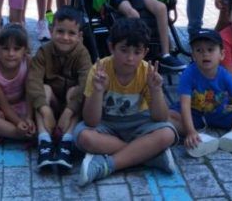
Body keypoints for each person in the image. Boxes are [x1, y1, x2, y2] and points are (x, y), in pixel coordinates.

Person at [74, 18, 177, 186]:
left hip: (138, 124)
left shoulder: (146, 71)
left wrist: (156, 90)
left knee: (167, 133)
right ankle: (148, 155)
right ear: (111, 47)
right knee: (84, 136)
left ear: (145, 52)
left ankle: (107, 165)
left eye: (137, 52)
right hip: (107, 124)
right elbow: (90, 121)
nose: (130, 58)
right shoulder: (99, 69)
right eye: (124, 50)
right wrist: (99, 90)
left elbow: (160, 118)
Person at [169, 29, 232, 158]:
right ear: (193, 56)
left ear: (222, 54)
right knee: (166, 116)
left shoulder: (225, 75)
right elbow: (185, 105)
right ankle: (198, 137)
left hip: (220, 113)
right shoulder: (188, 73)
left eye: (210, 50)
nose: (205, 54)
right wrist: (190, 131)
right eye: (199, 50)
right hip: (193, 115)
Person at [26, 7, 92, 171]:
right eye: (60, 31)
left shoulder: (83, 54)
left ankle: (66, 142)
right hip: (51, 105)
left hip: (72, 110)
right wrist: (45, 109)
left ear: (79, 36)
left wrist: (69, 111)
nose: (65, 37)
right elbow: (33, 81)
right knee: (43, 90)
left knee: (76, 91)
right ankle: (44, 142)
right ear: (50, 30)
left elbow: (86, 84)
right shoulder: (43, 52)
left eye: (71, 33)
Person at [0, 24, 35, 143]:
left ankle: (1, 134)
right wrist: (18, 122)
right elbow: (1, 102)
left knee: (42, 102)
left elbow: (30, 92)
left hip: (24, 105)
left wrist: (29, 117)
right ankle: (20, 134)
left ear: (25, 50)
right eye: (5, 48)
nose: (11, 54)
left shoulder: (28, 62)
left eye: (16, 49)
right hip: (1, 110)